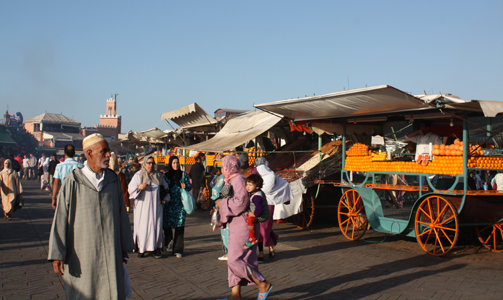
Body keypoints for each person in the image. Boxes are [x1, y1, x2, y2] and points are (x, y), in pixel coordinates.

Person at [48, 133, 134, 300]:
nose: (109, 155)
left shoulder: (112, 180)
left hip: (111, 251)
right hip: (82, 253)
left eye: (108, 151)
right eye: (104, 151)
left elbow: (121, 215)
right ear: (89, 153)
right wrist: (58, 253)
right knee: (85, 291)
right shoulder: (73, 181)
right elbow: (61, 218)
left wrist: (123, 247)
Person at [215, 155, 273, 300]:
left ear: (229, 168)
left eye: (223, 167)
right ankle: (235, 295)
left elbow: (240, 202)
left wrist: (221, 204)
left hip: (243, 225)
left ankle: (262, 282)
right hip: (238, 225)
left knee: (234, 260)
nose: (222, 170)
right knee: (241, 258)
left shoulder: (239, 181)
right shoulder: (234, 180)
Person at [128, 155, 168, 259]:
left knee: (156, 227)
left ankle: (155, 248)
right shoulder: (138, 175)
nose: (150, 165)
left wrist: (165, 198)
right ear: (144, 164)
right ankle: (142, 248)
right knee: (143, 227)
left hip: (156, 207)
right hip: (143, 208)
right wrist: (139, 187)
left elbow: (165, 188)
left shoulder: (158, 176)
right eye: (148, 163)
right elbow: (130, 189)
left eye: (152, 163)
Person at [253, 157, 293, 260]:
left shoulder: (258, 172)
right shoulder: (271, 175)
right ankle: (271, 249)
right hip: (269, 204)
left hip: (261, 204)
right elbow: (283, 184)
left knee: (261, 227)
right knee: (266, 227)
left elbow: (254, 186)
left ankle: (262, 252)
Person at [163, 156, 192, 258]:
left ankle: (178, 249)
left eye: (177, 163)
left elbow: (189, 186)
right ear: (170, 164)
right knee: (166, 225)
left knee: (179, 227)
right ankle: (167, 240)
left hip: (180, 205)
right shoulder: (166, 176)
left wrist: (184, 185)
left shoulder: (183, 175)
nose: (176, 165)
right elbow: (162, 188)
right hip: (169, 204)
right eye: (174, 163)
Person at [52, 144, 84, 209]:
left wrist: (54, 198)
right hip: (77, 194)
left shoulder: (59, 166)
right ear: (74, 153)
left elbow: (56, 183)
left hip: (64, 193)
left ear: (64, 154)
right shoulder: (81, 166)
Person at [243, 174, 269, 249]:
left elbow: (259, 209)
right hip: (261, 213)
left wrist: (254, 214)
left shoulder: (257, 196)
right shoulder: (254, 193)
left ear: (257, 186)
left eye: (250, 185)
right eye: (247, 184)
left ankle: (252, 239)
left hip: (262, 215)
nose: (248, 187)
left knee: (249, 220)